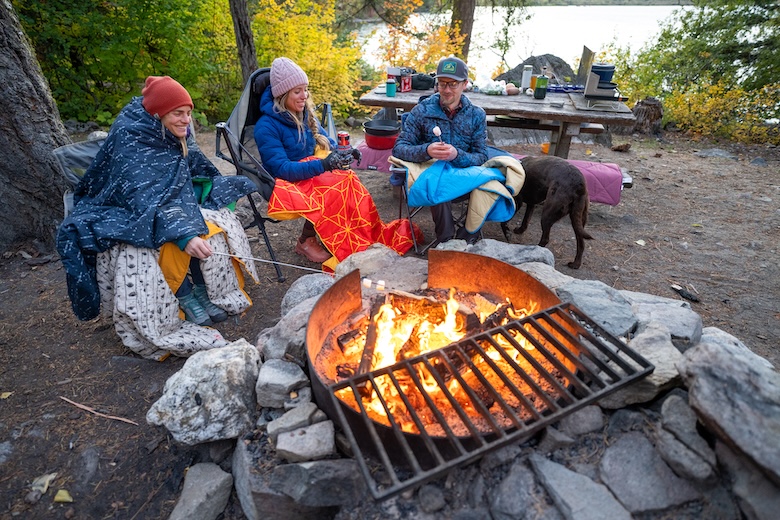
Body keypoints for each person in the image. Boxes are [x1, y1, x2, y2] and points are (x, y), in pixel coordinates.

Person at [57, 76, 259, 359]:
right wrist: (183, 234)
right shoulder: (131, 136)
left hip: (166, 201)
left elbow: (194, 170)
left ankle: (203, 290)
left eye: (188, 113)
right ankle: (185, 296)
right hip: (121, 205)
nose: (186, 120)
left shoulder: (178, 133)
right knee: (159, 239)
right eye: (178, 113)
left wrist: (211, 188)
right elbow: (141, 194)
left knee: (212, 223)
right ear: (158, 113)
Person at [254, 57, 419, 269]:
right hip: (283, 182)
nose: (304, 96)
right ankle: (306, 240)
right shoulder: (266, 126)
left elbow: (329, 143)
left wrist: (345, 152)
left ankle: (360, 233)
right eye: (297, 92)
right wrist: (324, 165)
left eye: (305, 90)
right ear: (282, 94)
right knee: (334, 187)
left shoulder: (303, 113)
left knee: (347, 177)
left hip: (306, 170)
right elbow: (282, 169)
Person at [392, 56, 489, 244]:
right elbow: (399, 148)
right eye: (442, 84)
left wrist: (456, 155)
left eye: (453, 84)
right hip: (433, 177)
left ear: (465, 84)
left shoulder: (476, 115)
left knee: (492, 182)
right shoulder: (422, 110)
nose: (446, 90)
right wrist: (427, 150)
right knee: (439, 183)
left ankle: (468, 235)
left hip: (466, 176)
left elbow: (482, 156)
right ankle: (446, 242)